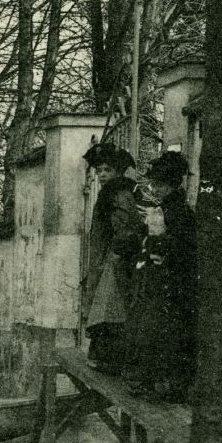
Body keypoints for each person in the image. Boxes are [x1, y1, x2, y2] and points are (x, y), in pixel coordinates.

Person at [124, 151, 196, 401]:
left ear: (172, 184)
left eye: (160, 184)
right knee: (158, 330)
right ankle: (158, 382)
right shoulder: (167, 208)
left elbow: (180, 246)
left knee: (163, 331)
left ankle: (162, 385)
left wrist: (155, 244)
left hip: (172, 281)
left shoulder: (177, 211)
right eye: (155, 184)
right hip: (163, 277)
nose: (155, 189)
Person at [80, 143, 143, 374]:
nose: (102, 175)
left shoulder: (120, 194)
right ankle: (105, 358)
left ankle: (110, 360)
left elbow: (125, 228)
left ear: (118, 171)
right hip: (105, 259)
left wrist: (115, 254)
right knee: (105, 308)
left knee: (110, 309)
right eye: (99, 171)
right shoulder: (109, 194)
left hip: (116, 261)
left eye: (107, 170)